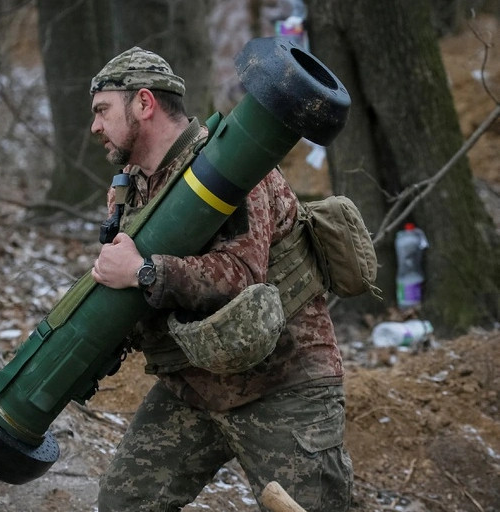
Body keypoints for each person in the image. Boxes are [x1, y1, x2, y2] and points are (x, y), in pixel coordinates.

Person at [88, 46, 353, 511]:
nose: (95, 127)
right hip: (193, 387)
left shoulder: (233, 164)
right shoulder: (134, 186)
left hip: (283, 385)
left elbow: (239, 276)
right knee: (124, 503)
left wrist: (144, 271)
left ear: (144, 104)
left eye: (102, 110)